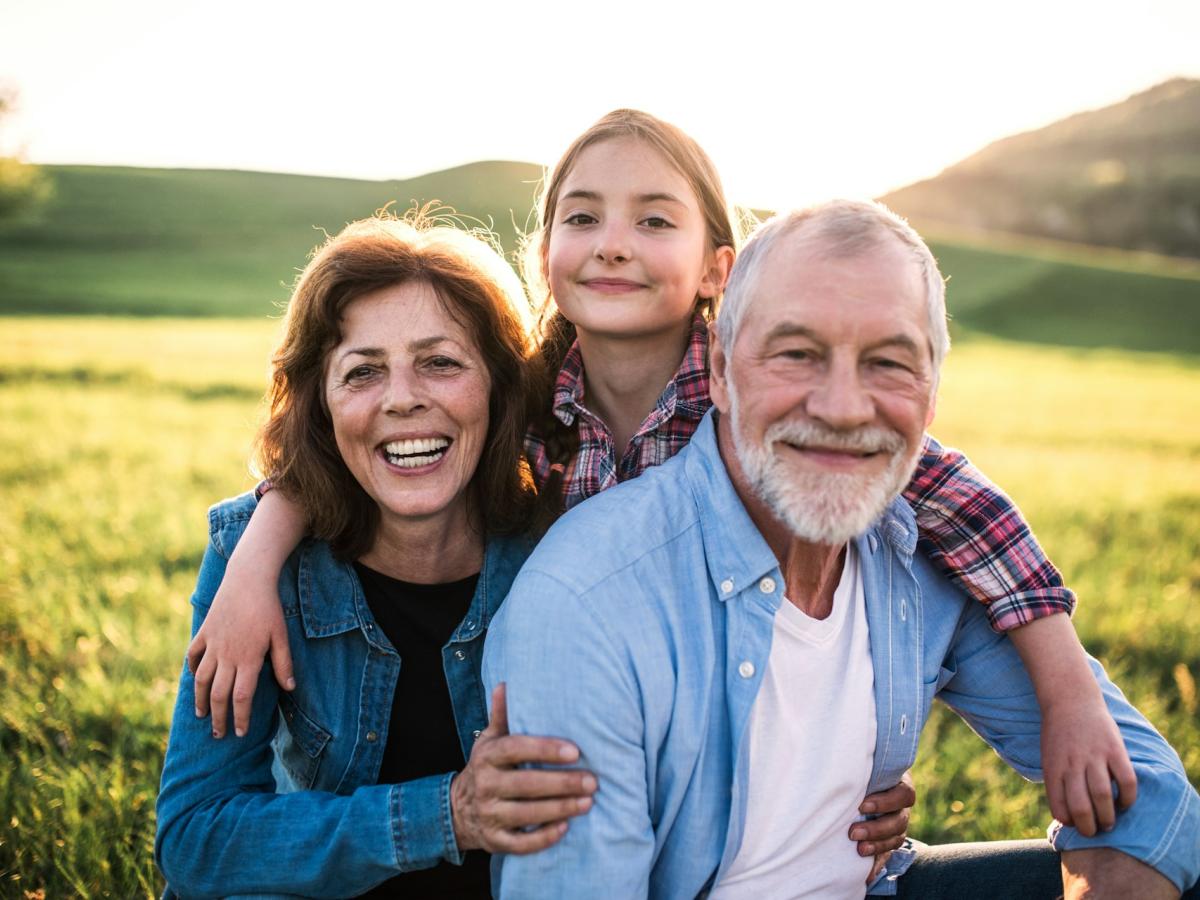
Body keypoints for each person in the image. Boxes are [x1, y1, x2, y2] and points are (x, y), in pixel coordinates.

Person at [186, 109, 1126, 851]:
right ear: (546, 255)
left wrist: (1061, 693)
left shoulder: (762, 397)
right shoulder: (532, 404)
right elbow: (375, 438)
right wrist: (257, 552)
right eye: (582, 217)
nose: (614, 243)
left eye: (654, 220)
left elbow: (954, 499)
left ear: (721, 264)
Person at [482, 200, 1200, 899]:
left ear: (933, 397)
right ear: (723, 373)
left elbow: (1153, 799)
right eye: (797, 354)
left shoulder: (922, 559)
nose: (844, 408)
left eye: (889, 363)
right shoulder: (585, 599)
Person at [155, 214, 599, 897]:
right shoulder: (258, 561)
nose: (402, 399)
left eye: (441, 362)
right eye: (362, 372)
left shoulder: (565, 542)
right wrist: (446, 814)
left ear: (498, 385)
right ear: (322, 406)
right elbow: (197, 840)